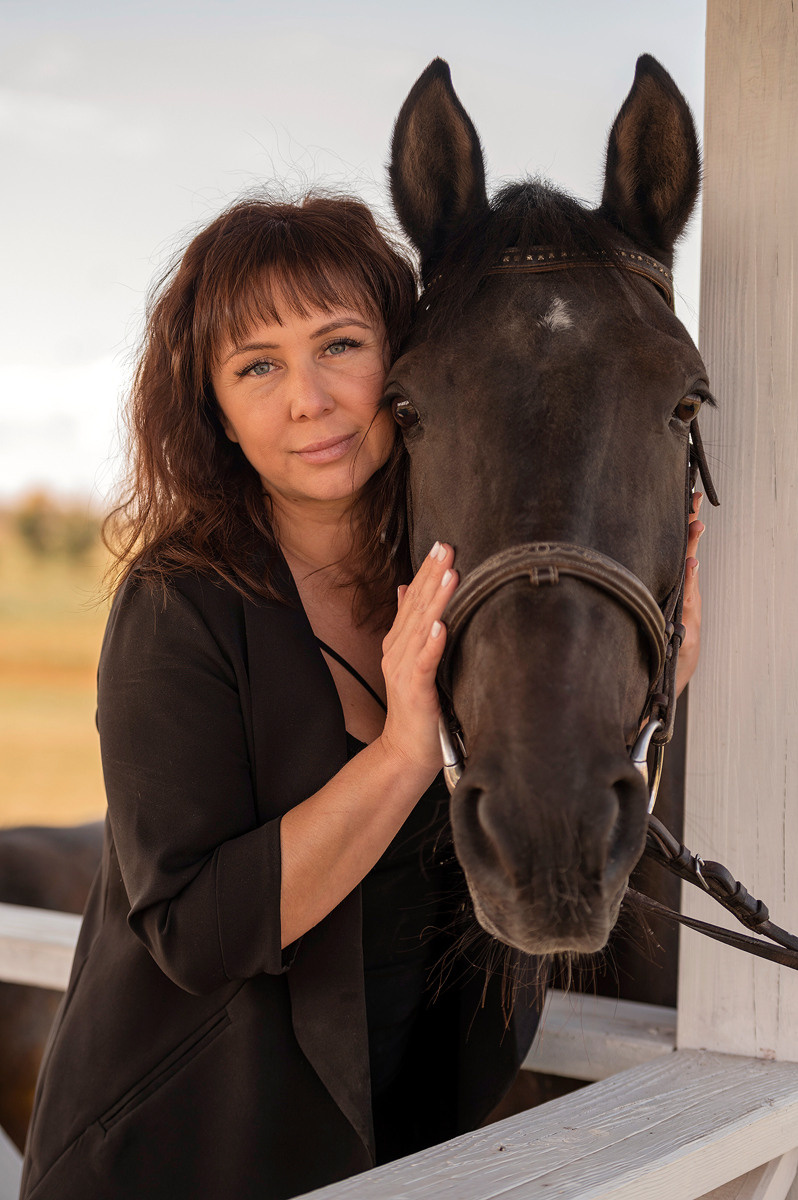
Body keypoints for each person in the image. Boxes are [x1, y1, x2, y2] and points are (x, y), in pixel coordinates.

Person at [20, 194, 705, 1200]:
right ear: (215, 409)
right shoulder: (179, 606)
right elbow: (196, 935)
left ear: (402, 357)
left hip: (395, 1154)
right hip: (181, 1160)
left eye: (339, 345)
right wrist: (401, 753)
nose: (309, 399)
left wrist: (648, 685)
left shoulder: (445, 582)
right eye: (258, 367)